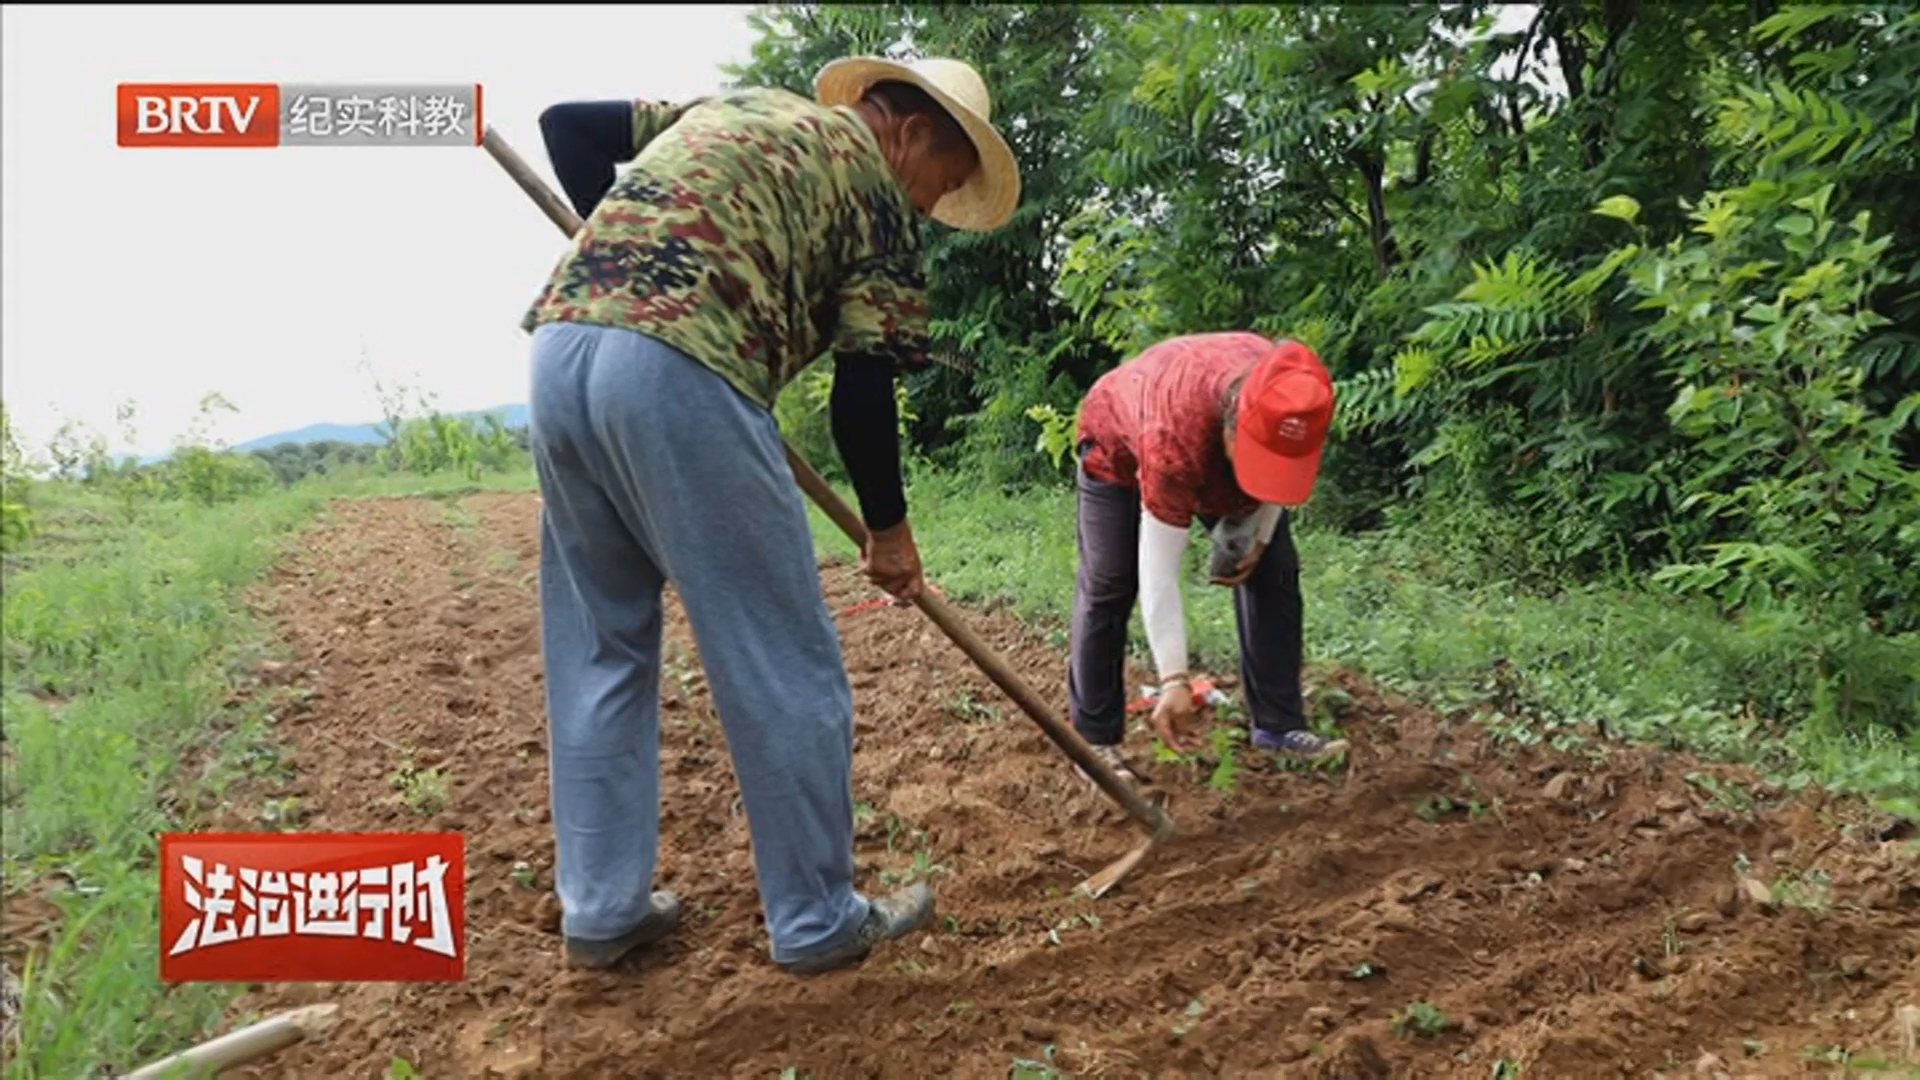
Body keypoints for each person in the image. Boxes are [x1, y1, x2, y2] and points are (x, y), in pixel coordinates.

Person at [518, 57, 1021, 976]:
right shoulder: (874, 193)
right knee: (779, 655)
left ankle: (601, 910)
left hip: (562, 350)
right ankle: (820, 918)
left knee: (603, 645)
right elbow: (863, 394)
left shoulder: (740, 109)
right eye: (942, 182)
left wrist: (636, 263)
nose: (929, 206)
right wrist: (890, 532)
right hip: (678, 371)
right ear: (912, 131)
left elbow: (568, 127)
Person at [1067, 332, 1350, 786]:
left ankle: (1279, 726)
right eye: (1260, 456)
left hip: (1206, 439)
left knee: (1274, 571)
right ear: (1232, 428)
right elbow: (1158, 573)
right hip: (1116, 448)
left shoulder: (1294, 394)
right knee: (1111, 581)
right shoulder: (1172, 439)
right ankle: (1094, 741)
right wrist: (1174, 679)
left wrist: (1258, 539)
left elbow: (1282, 470)